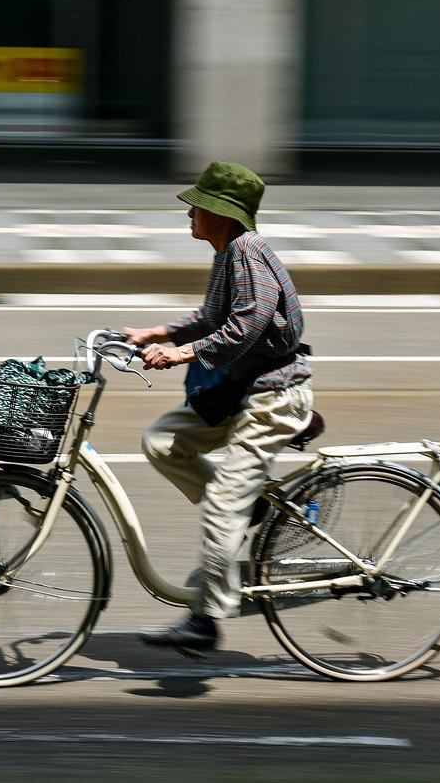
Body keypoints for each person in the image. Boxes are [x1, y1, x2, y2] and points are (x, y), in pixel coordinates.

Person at [124, 160, 312, 654]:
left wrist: (181, 353)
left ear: (221, 213)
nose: (189, 212)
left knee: (223, 502)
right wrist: (157, 332)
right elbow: (211, 317)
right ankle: (245, 506)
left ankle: (206, 619)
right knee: (162, 441)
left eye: (198, 205)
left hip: (272, 396)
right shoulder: (228, 253)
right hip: (240, 390)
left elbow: (247, 325)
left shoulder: (248, 251)